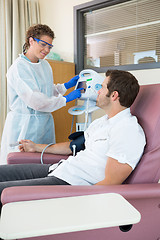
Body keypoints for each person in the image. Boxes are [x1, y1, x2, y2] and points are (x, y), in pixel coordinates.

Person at [0, 70, 146, 210]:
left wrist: (78, 202)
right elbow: (73, 146)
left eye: (101, 87)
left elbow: (111, 182)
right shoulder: (103, 122)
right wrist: (36, 147)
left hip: (71, 183)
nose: (98, 91)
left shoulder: (128, 130)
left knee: (2, 191)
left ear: (114, 95)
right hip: (61, 169)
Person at [0, 24, 82, 165]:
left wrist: (65, 86)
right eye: (43, 44)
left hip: (44, 125)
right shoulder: (19, 68)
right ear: (31, 41)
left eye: (50, 47)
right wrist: (66, 99)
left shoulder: (45, 65)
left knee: (44, 164)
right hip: (24, 125)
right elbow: (36, 100)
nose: (46, 50)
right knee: (20, 167)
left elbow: (46, 90)